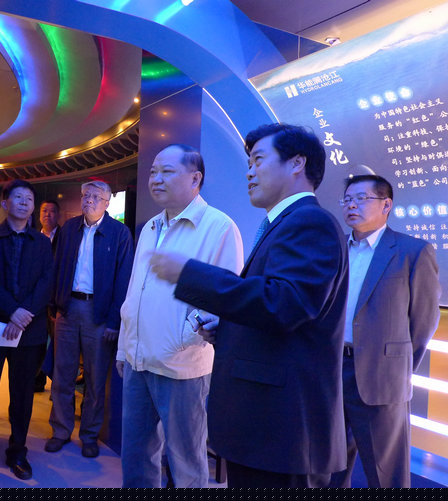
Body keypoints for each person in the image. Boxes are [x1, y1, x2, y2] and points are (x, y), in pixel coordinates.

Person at [150, 123, 349, 487]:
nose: (250, 171)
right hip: (266, 429)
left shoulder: (310, 222)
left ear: (297, 163)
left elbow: (284, 304)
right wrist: (228, 328)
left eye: (258, 160)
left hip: (283, 431)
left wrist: (190, 274)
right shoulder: (284, 223)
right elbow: (279, 309)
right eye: (249, 163)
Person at [117, 144, 244, 487]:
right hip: (137, 360)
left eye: (167, 171)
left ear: (195, 178)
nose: (156, 179)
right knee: (137, 457)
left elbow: (225, 297)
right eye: (153, 172)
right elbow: (135, 291)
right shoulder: (151, 227)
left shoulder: (218, 227)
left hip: (182, 366)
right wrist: (124, 348)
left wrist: (183, 339)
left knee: (186, 462)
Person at [329, 174, 441, 487]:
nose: (351, 205)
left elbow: (422, 322)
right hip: (333, 370)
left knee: (385, 474)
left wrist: (395, 366)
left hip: (381, 377)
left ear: (386, 204)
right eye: (347, 199)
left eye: (361, 198)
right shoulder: (336, 249)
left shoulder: (412, 251)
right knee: (328, 469)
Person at [0, 179, 54, 483]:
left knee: (22, 396)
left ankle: (17, 452)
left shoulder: (42, 242)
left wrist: (23, 314)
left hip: (28, 330)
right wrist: (12, 311)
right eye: (18, 197)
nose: (24, 201)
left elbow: (47, 282)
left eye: (29, 198)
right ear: (5, 203)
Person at [45, 180, 134, 458]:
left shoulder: (119, 233)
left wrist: (114, 321)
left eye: (96, 196)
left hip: (100, 313)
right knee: (62, 375)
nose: (89, 200)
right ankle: (60, 430)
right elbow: (56, 267)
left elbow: (124, 280)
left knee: (95, 380)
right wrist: (54, 304)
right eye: (86, 195)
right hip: (68, 308)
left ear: (107, 203)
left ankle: (89, 435)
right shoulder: (69, 229)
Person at [34, 199, 61, 392]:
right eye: (44, 211)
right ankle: (37, 380)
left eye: (52, 211)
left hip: (57, 300)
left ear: (58, 215)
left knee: (58, 344)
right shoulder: (34, 237)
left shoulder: (66, 237)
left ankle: (57, 386)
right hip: (37, 300)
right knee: (38, 342)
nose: (47, 215)